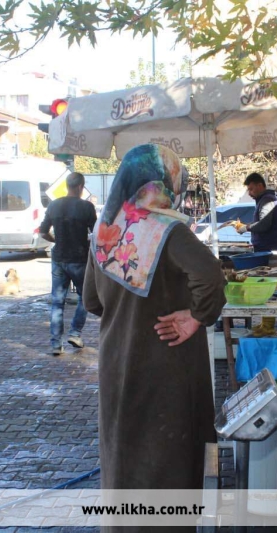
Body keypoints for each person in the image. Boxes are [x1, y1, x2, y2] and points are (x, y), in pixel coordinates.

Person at [83, 144, 225, 498]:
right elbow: (210, 276)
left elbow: (90, 300)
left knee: (123, 457)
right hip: (165, 365)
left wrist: (126, 314)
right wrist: (196, 317)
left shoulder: (105, 230)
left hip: (117, 363)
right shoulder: (168, 230)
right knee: (167, 462)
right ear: (164, 181)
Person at [39, 172, 97, 356]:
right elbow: (96, 233)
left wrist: (54, 239)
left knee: (57, 301)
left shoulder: (54, 205)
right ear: (81, 186)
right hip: (79, 259)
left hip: (58, 258)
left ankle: (56, 344)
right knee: (85, 297)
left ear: (67, 185)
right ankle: (75, 332)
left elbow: (42, 233)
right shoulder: (86, 207)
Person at [236, 172, 277, 252]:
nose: (249, 193)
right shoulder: (263, 200)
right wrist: (244, 226)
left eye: (251, 189)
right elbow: (260, 222)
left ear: (260, 186)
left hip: (268, 249)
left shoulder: (267, 200)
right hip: (265, 247)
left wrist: (245, 228)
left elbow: (264, 224)